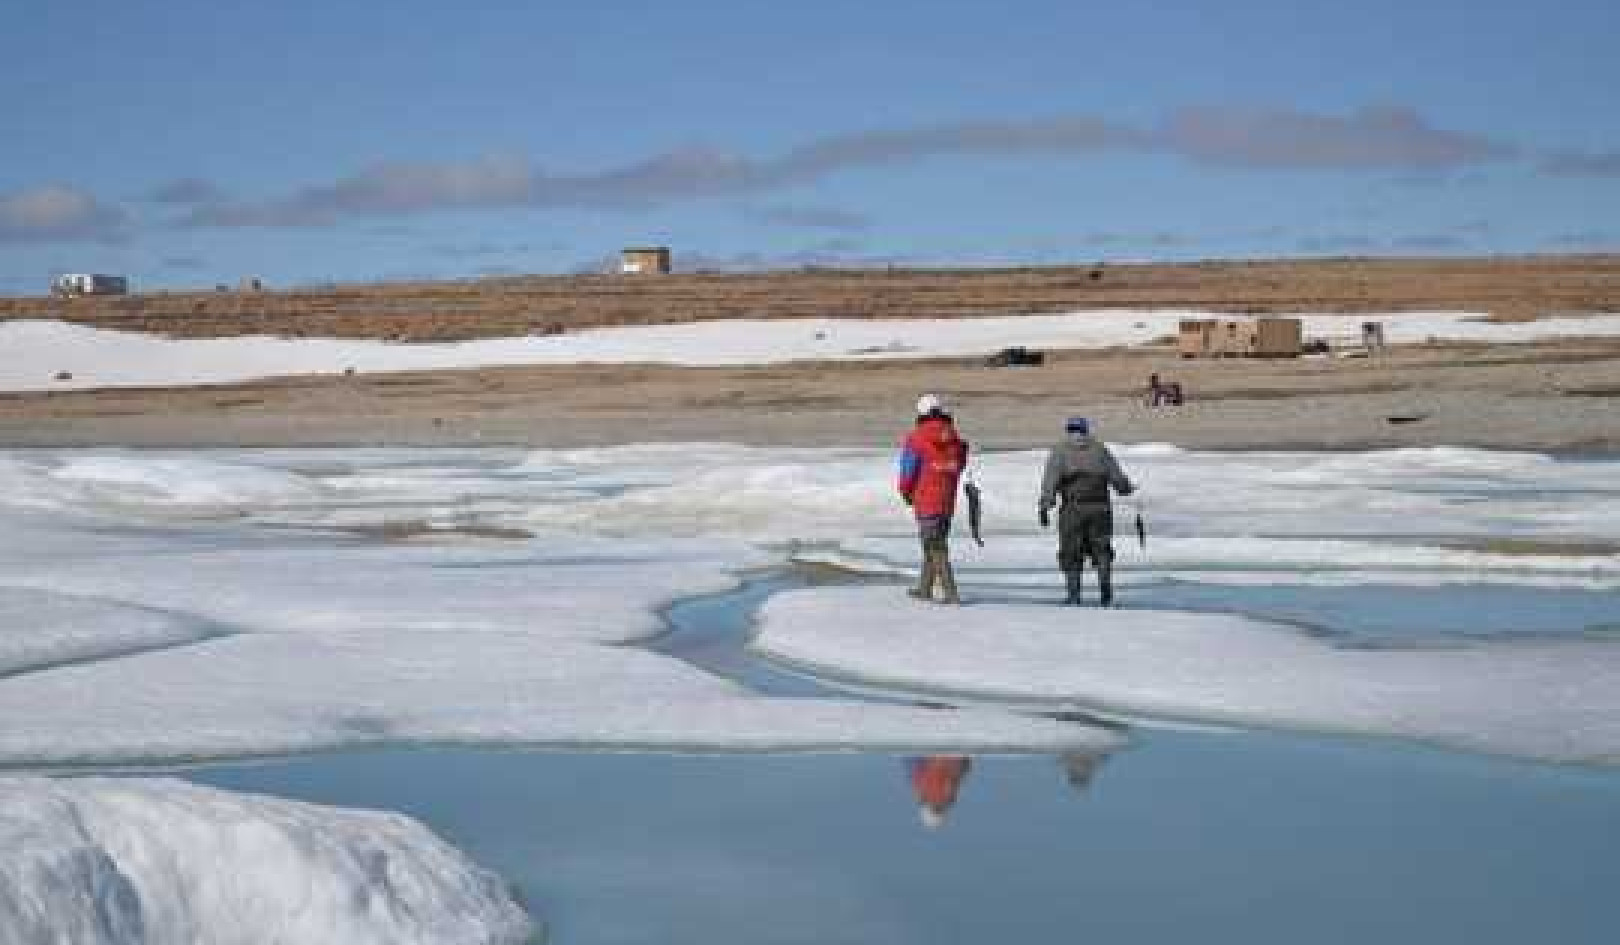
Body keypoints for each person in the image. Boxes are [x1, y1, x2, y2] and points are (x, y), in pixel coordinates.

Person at [1037, 417, 1135, 606]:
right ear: (1086, 430)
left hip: (1072, 510)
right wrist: (1126, 488)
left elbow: (1050, 481)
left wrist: (1045, 505)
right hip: (1101, 509)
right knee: (1102, 551)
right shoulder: (1100, 450)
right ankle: (1106, 596)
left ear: (1068, 430)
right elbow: (1118, 479)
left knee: (1071, 552)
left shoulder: (1059, 451)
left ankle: (1074, 596)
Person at [897, 393, 970, 605]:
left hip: (926, 499)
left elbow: (908, 470)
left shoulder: (917, 438)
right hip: (947, 500)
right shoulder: (954, 438)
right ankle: (924, 588)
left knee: (934, 546)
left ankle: (951, 593)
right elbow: (960, 463)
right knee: (933, 544)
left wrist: (905, 492)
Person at [907, 755, 972, 829]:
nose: (938, 801)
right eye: (940, 807)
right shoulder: (953, 789)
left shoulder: (917, 781)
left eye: (935, 807)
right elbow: (966, 765)